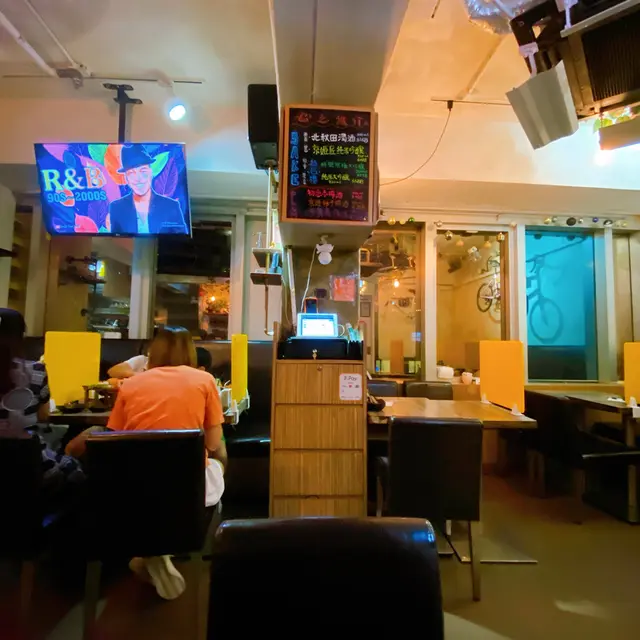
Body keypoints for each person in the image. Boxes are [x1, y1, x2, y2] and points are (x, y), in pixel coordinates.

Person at [66, 326, 226, 600]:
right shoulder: (204, 380)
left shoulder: (130, 384)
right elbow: (211, 443)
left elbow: (115, 437)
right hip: (186, 492)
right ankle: (177, 545)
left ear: (154, 351)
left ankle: (149, 549)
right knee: (219, 457)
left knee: (140, 471)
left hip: (132, 493)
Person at [0, 308, 84, 508]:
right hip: (26, 464)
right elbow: (43, 414)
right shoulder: (35, 371)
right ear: (20, 338)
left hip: (15, 465)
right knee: (76, 472)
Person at [109, 145, 187, 235]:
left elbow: (181, 239)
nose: (138, 178)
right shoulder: (116, 207)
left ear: (151, 173)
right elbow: (115, 240)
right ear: (126, 179)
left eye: (143, 171)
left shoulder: (171, 206)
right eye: (131, 173)